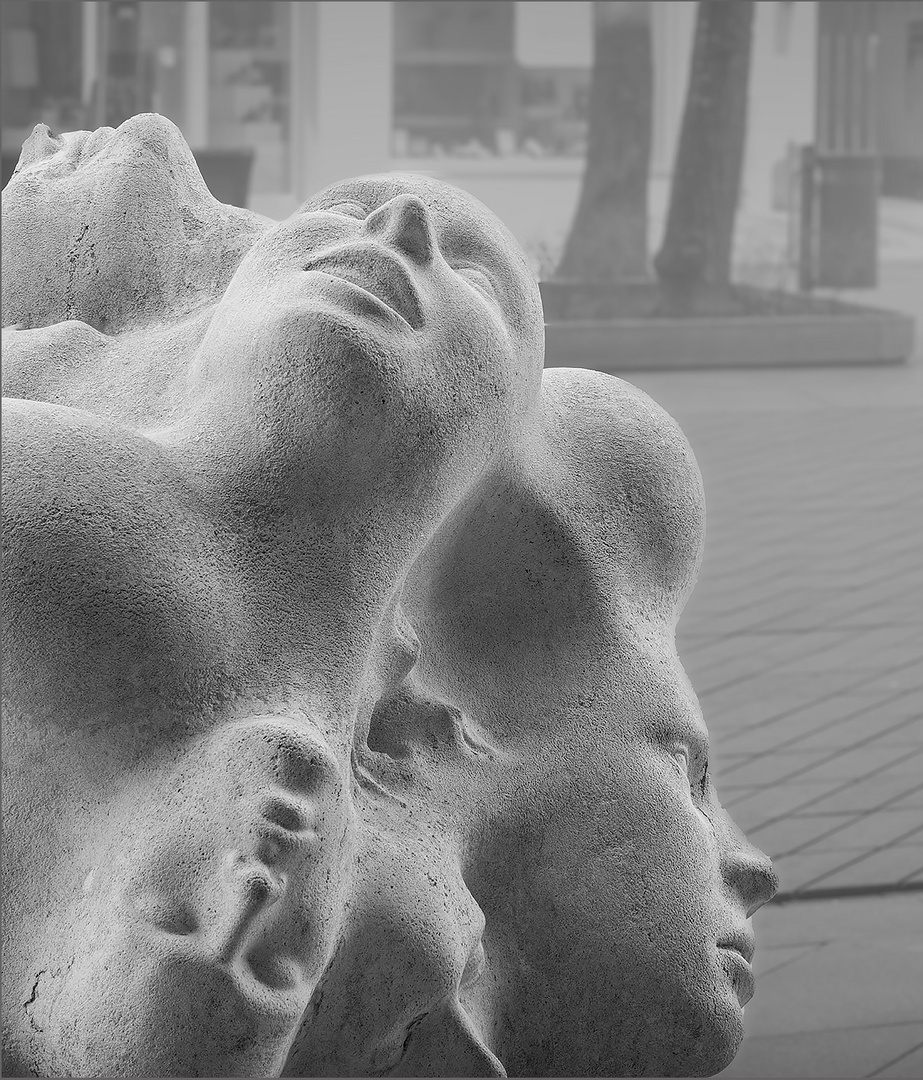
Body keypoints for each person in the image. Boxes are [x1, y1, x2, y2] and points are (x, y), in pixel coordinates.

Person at [1, 113, 774, 1078]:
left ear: (493, 434)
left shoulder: (399, 728)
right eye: (343, 214)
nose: (400, 224)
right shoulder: (82, 482)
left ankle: (149, 983)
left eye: (479, 278)